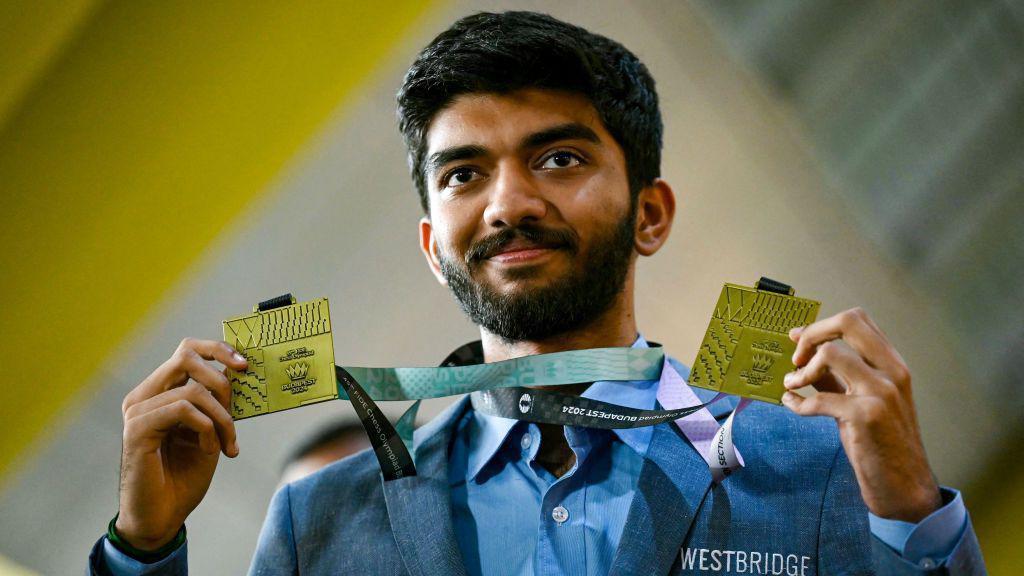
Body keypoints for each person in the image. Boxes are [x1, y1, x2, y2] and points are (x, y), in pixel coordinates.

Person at [88, 11, 986, 575]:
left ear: (651, 212)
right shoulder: (320, 520)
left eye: (559, 158)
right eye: (464, 173)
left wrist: (911, 513)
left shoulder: (816, 472)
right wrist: (143, 549)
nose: (510, 203)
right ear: (434, 248)